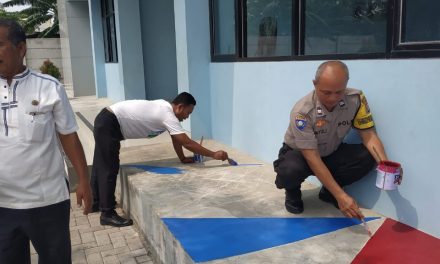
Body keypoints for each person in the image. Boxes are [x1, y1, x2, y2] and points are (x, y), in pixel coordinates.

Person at [0, 19, 92, 264]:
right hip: (3, 204)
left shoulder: (49, 87)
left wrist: (84, 180)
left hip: (48, 201)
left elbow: (69, 135)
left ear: (21, 48)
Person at [273, 60, 399, 220]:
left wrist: (386, 166)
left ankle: (328, 191)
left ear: (346, 84)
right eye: (326, 92)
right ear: (315, 83)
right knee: (290, 170)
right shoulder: (302, 112)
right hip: (301, 155)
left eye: (339, 92)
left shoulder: (356, 100)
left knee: (367, 156)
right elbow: (311, 156)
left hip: (331, 151)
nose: (333, 98)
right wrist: (341, 196)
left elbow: (369, 135)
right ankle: (292, 191)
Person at [91, 92, 229, 227]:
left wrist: (182, 157)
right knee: (108, 168)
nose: (187, 117)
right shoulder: (167, 115)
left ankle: (96, 202)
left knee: (100, 164)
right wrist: (214, 154)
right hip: (110, 123)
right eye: (188, 113)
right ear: (180, 107)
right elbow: (186, 142)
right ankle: (107, 213)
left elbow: (176, 138)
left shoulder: (164, 107)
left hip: (106, 120)